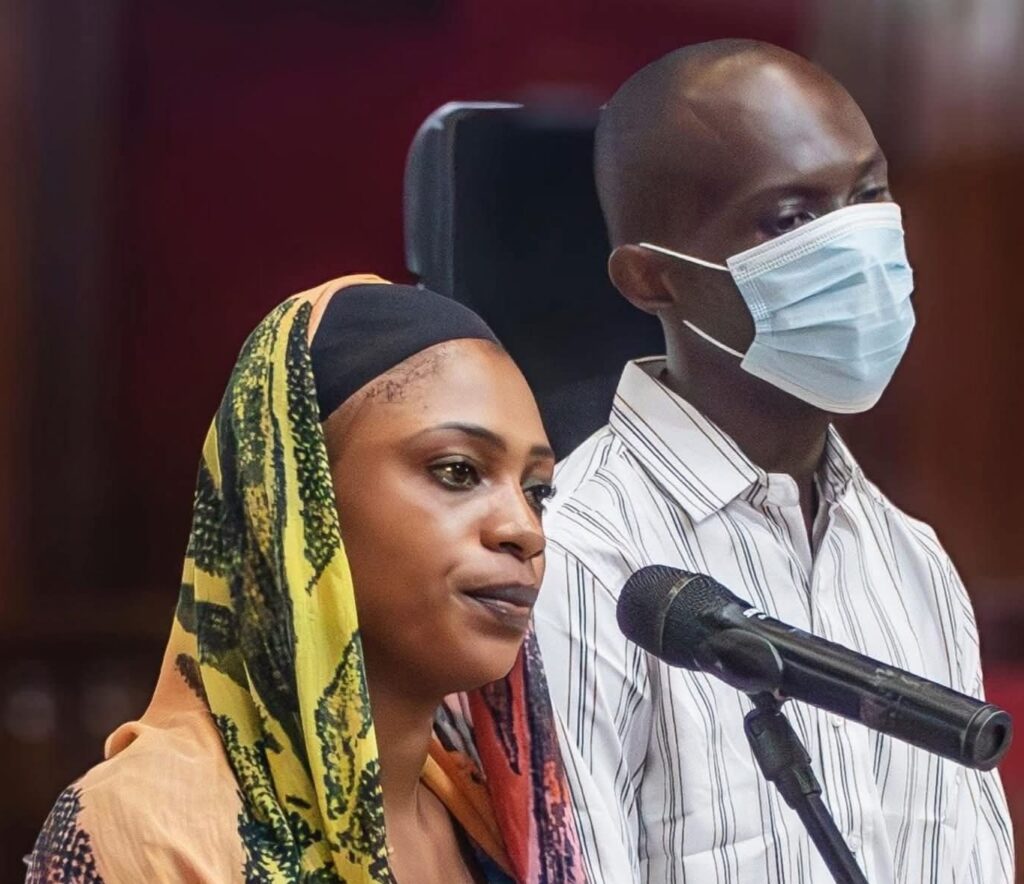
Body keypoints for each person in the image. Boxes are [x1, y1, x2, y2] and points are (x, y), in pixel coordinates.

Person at [534, 40, 1014, 883]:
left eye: (869, 194)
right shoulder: (576, 559)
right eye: (791, 219)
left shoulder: (912, 557)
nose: (856, 240)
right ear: (653, 279)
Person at [27, 275, 588, 883]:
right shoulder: (150, 833)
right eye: (458, 471)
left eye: (537, 491)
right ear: (293, 504)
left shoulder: (498, 825)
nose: (524, 529)